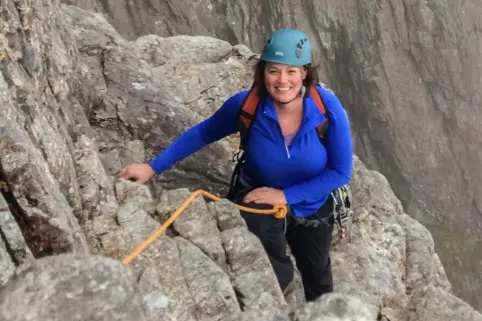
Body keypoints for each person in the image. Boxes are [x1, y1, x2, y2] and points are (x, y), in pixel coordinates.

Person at [118, 28, 354, 301]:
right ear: (263, 72)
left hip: (312, 205)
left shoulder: (326, 109)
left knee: (319, 277)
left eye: (291, 71)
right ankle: (279, 294)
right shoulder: (247, 107)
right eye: (273, 71)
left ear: (304, 73)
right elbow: (204, 133)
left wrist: (286, 196)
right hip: (260, 196)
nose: (282, 80)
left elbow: (340, 172)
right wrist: (152, 168)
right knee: (270, 268)